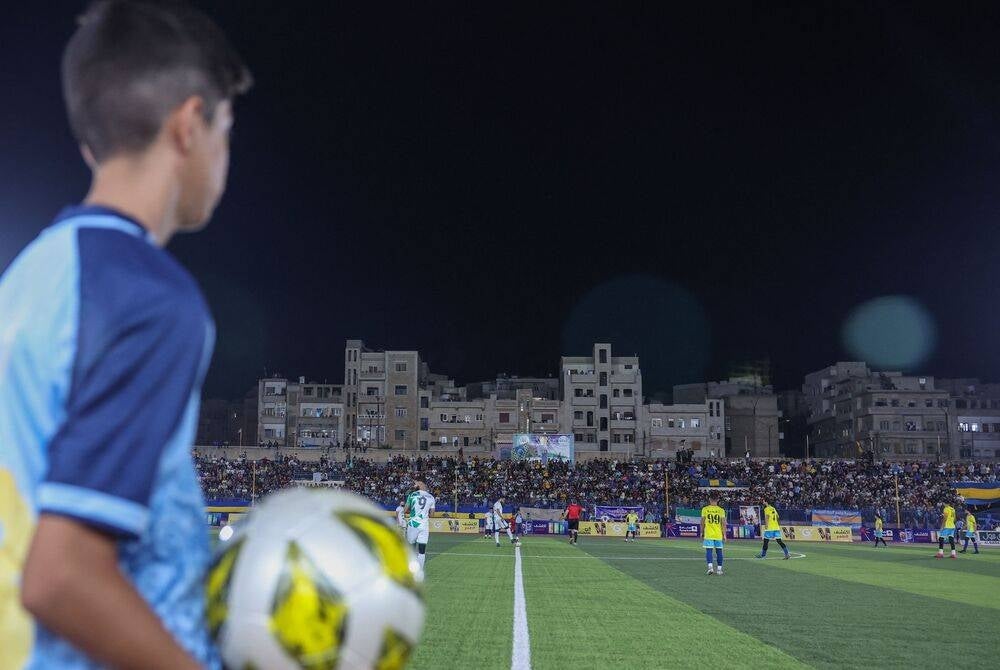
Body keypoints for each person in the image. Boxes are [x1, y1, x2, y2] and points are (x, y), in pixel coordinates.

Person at [0, 3, 251, 669]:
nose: (225, 154)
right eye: (226, 129)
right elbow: (61, 575)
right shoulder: (148, 296)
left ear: (90, 141)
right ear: (190, 125)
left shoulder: (28, 277)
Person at [405, 480, 436, 569]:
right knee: (422, 550)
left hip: (413, 524)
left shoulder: (412, 495)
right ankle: (420, 570)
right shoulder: (431, 497)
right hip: (424, 525)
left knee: (411, 548)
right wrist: (424, 514)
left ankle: (411, 569)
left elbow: (405, 510)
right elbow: (432, 515)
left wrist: (413, 512)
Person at [702, 493, 726, 575]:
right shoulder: (721, 510)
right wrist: (724, 534)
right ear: (718, 499)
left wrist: (701, 532)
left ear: (709, 499)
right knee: (719, 551)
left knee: (709, 550)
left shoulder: (705, 509)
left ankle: (710, 568)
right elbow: (723, 523)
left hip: (708, 534)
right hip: (718, 534)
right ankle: (719, 570)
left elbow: (702, 522)